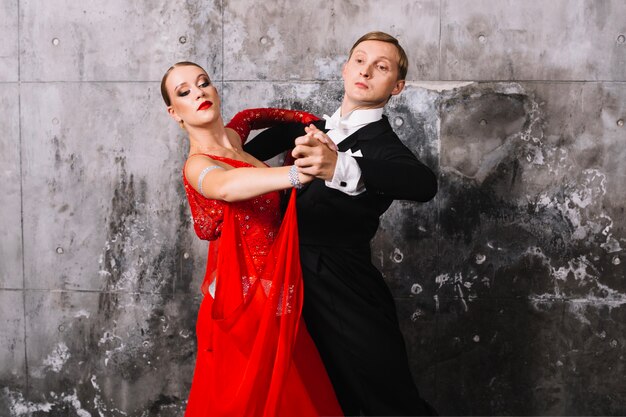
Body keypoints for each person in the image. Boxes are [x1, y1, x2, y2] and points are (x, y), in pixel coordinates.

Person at [241, 31, 439, 416]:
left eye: (381, 67)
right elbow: (237, 157)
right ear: (346, 68)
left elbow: (424, 184)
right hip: (286, 282)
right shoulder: (304, 127)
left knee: (387, 399)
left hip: (343, 288)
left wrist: (341, 166)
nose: (366, 70)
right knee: (318, 399)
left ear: (396, 86)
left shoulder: (385, 147)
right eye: (360, 60)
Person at [161, 61, 343, 417]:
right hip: (240, 303)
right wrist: (294, 174)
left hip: (275, 291)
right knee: (262, 402)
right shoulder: (197, 166)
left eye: (203, 83)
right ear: (175, 112)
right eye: (185, 92)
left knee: (290, 396)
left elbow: (253, 114)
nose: (198, 92)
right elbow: (227, 187)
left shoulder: (232, 138)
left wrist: (315, 122)